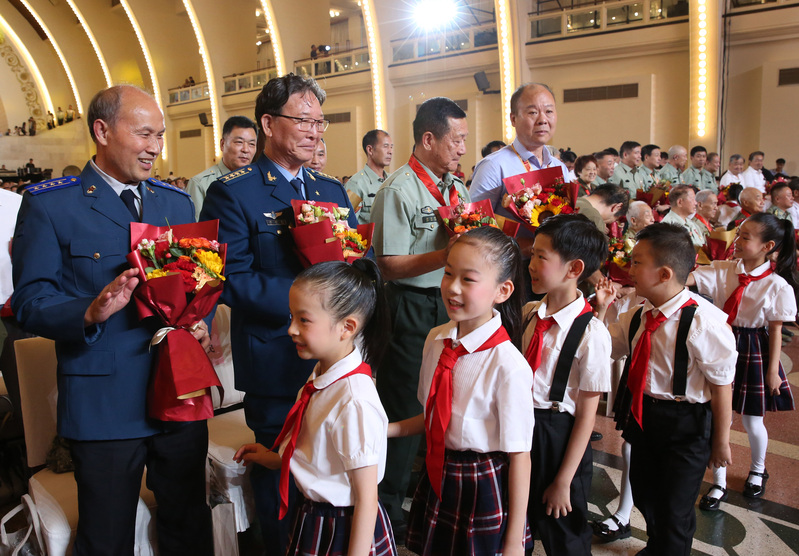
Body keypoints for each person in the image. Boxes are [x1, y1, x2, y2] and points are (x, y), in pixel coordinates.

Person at [11, 84, 213, 555]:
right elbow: (30, 300)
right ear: (102, 131)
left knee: (188, 523)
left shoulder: (174, 203)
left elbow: (189, 283)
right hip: (104, 400)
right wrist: (88, 310)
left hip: (176, 390)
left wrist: (195, 320)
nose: (156, 147)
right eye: (144, 133)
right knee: (107, 537)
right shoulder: (51, 204)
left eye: (160, 135)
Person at [200, 73, 357, 555]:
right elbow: (232, 279)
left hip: (336, 361)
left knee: (334, 469)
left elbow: (352, 259)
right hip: (276, 359)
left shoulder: (331, 189)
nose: (314, 131)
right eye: (302, 120)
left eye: (319, 121)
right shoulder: (235, 193)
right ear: (268, 123)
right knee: (280, 478)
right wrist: (311, 303)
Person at [234, 259, 398, 556]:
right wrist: (273, 458)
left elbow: (366, 497)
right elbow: (316, 449)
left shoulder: (354, 400)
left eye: (304, 320)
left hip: (345, 527)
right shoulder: (320, 375)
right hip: (314, 515)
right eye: (291, 317)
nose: (291, 330)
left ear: (347, 327)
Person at [389, 227, 533, 556]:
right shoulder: (436, 340)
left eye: (468, 280)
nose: (452, 288)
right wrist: (384, 430)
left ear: (503, 290)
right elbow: (432, 417)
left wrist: (513, 542)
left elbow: (520, 456)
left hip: (480, 483)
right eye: (448, 273)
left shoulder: (507, 366)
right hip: (438, 472)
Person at [369, 96, 469, 540]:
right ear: (428, 139)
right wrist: (445, 254)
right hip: (409, 305)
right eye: (457, 138)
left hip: (452, 305)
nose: (463, 148)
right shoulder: (399, 189)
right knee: (405, 403)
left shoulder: (457, 189)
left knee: (441, 401)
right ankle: (385, 512)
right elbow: (387, 264)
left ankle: (422, 497)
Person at [609, 224, 736, 556]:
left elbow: (723, 386)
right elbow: (604, 349)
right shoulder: (636, 316)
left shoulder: (703, 323)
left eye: (636, 263)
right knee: (647, 493)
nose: (628, 269)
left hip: (687, 423)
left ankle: (670, 546)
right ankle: (659, 544)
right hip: (645, 416)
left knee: (675, 508)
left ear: (664, 273)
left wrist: (720, 440)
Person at [689, 213, 797, 510]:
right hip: (722, 340)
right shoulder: (724, 269)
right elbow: (690, 278)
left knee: (751, 419)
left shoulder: (777, 285)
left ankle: (758, 469)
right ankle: (718, 481)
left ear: (768, 246)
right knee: (716, 415)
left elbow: (775, 331)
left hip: (752, 345)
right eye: (738, 234)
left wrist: (773, 371)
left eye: (746, 237)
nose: (736, 241)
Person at [523, 214, 612, 555]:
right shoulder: (531, 312)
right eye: (532, 254)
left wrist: (563, 480)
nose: (531, 264)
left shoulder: (592, 334)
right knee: (520, 521)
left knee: (566, 533)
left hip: (558, 435)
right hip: (522, 427)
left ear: (574, 268)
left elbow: (587, 417)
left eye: (541, 257)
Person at [470, 83, 569, 252]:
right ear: (513, 119)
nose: (543, 119)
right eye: (532, 112)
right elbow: (475, 224)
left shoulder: (559, 167)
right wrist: (528, 246)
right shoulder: (494, 166)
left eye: (549, 111)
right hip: (512, 266)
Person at [186, 115, 257, 219]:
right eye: (239, 142)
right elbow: (196, 230)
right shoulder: (200, 184)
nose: (246, 149)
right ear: (222, 144)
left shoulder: (259, 181)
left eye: (251, 144)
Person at [346, 129, 393, 224]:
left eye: (391, 147)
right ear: (370, 150)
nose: (390, 151)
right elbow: (348, 223)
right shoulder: (356, 183)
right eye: (385, 146)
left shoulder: (392, 180)